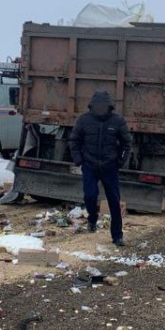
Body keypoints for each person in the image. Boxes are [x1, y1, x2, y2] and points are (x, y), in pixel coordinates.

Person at [69, 90, 133, 246]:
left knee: (114, 201)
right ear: (92, 106)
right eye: (97, 106)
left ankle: (117, 236)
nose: (100, 109)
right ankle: (92, 218)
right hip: (89, 165)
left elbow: (126, 143)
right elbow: (74, 141)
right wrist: (79, 160)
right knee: (90, 196)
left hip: (110, 166)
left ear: (109, 106)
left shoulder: (117, 121)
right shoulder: (84, 120)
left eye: (103, 106)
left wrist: (120, 161)